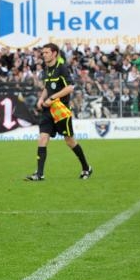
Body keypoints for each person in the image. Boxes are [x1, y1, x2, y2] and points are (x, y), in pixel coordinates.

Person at [25, 43, 93, 181]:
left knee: (69, 140)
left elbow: (70, 87)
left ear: (54, 53)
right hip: (47, 110)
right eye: (43, 53)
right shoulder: (46, 69)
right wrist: (41, 99)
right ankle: (39, 173)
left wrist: (52, 98)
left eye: (47, 52)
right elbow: (47, 87)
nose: (44, 55)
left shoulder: (62, 68)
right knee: (43, 138)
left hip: (61, 110)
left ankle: (86, 168)